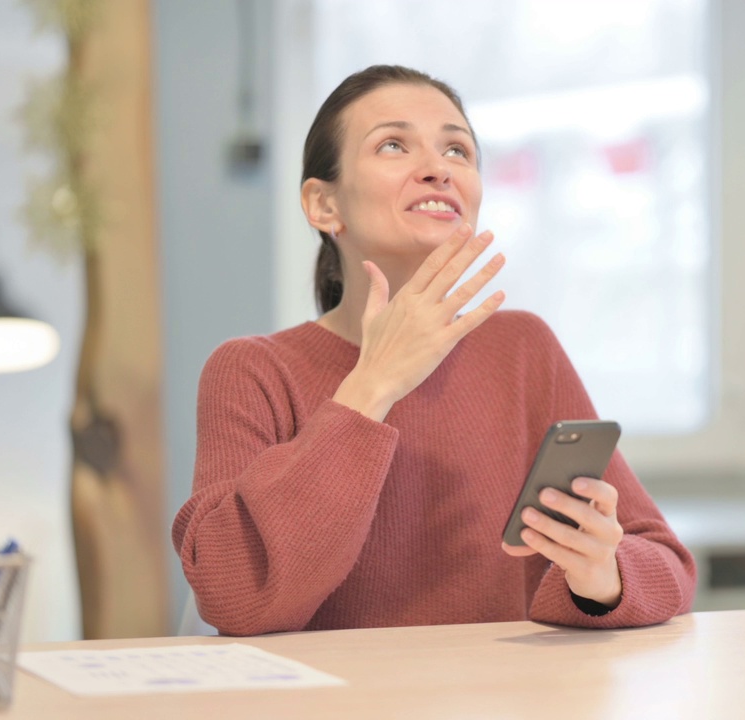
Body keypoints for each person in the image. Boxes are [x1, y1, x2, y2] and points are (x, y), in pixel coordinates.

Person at [172, 65, 696, 636]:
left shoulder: (521, 348)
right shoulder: (251, 371)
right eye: (393, 145)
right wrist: (373, 384)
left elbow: (667, 564)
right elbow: (236, 599)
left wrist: (600, 576)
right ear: (323, 205)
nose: (437, 170)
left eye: (457, 150)